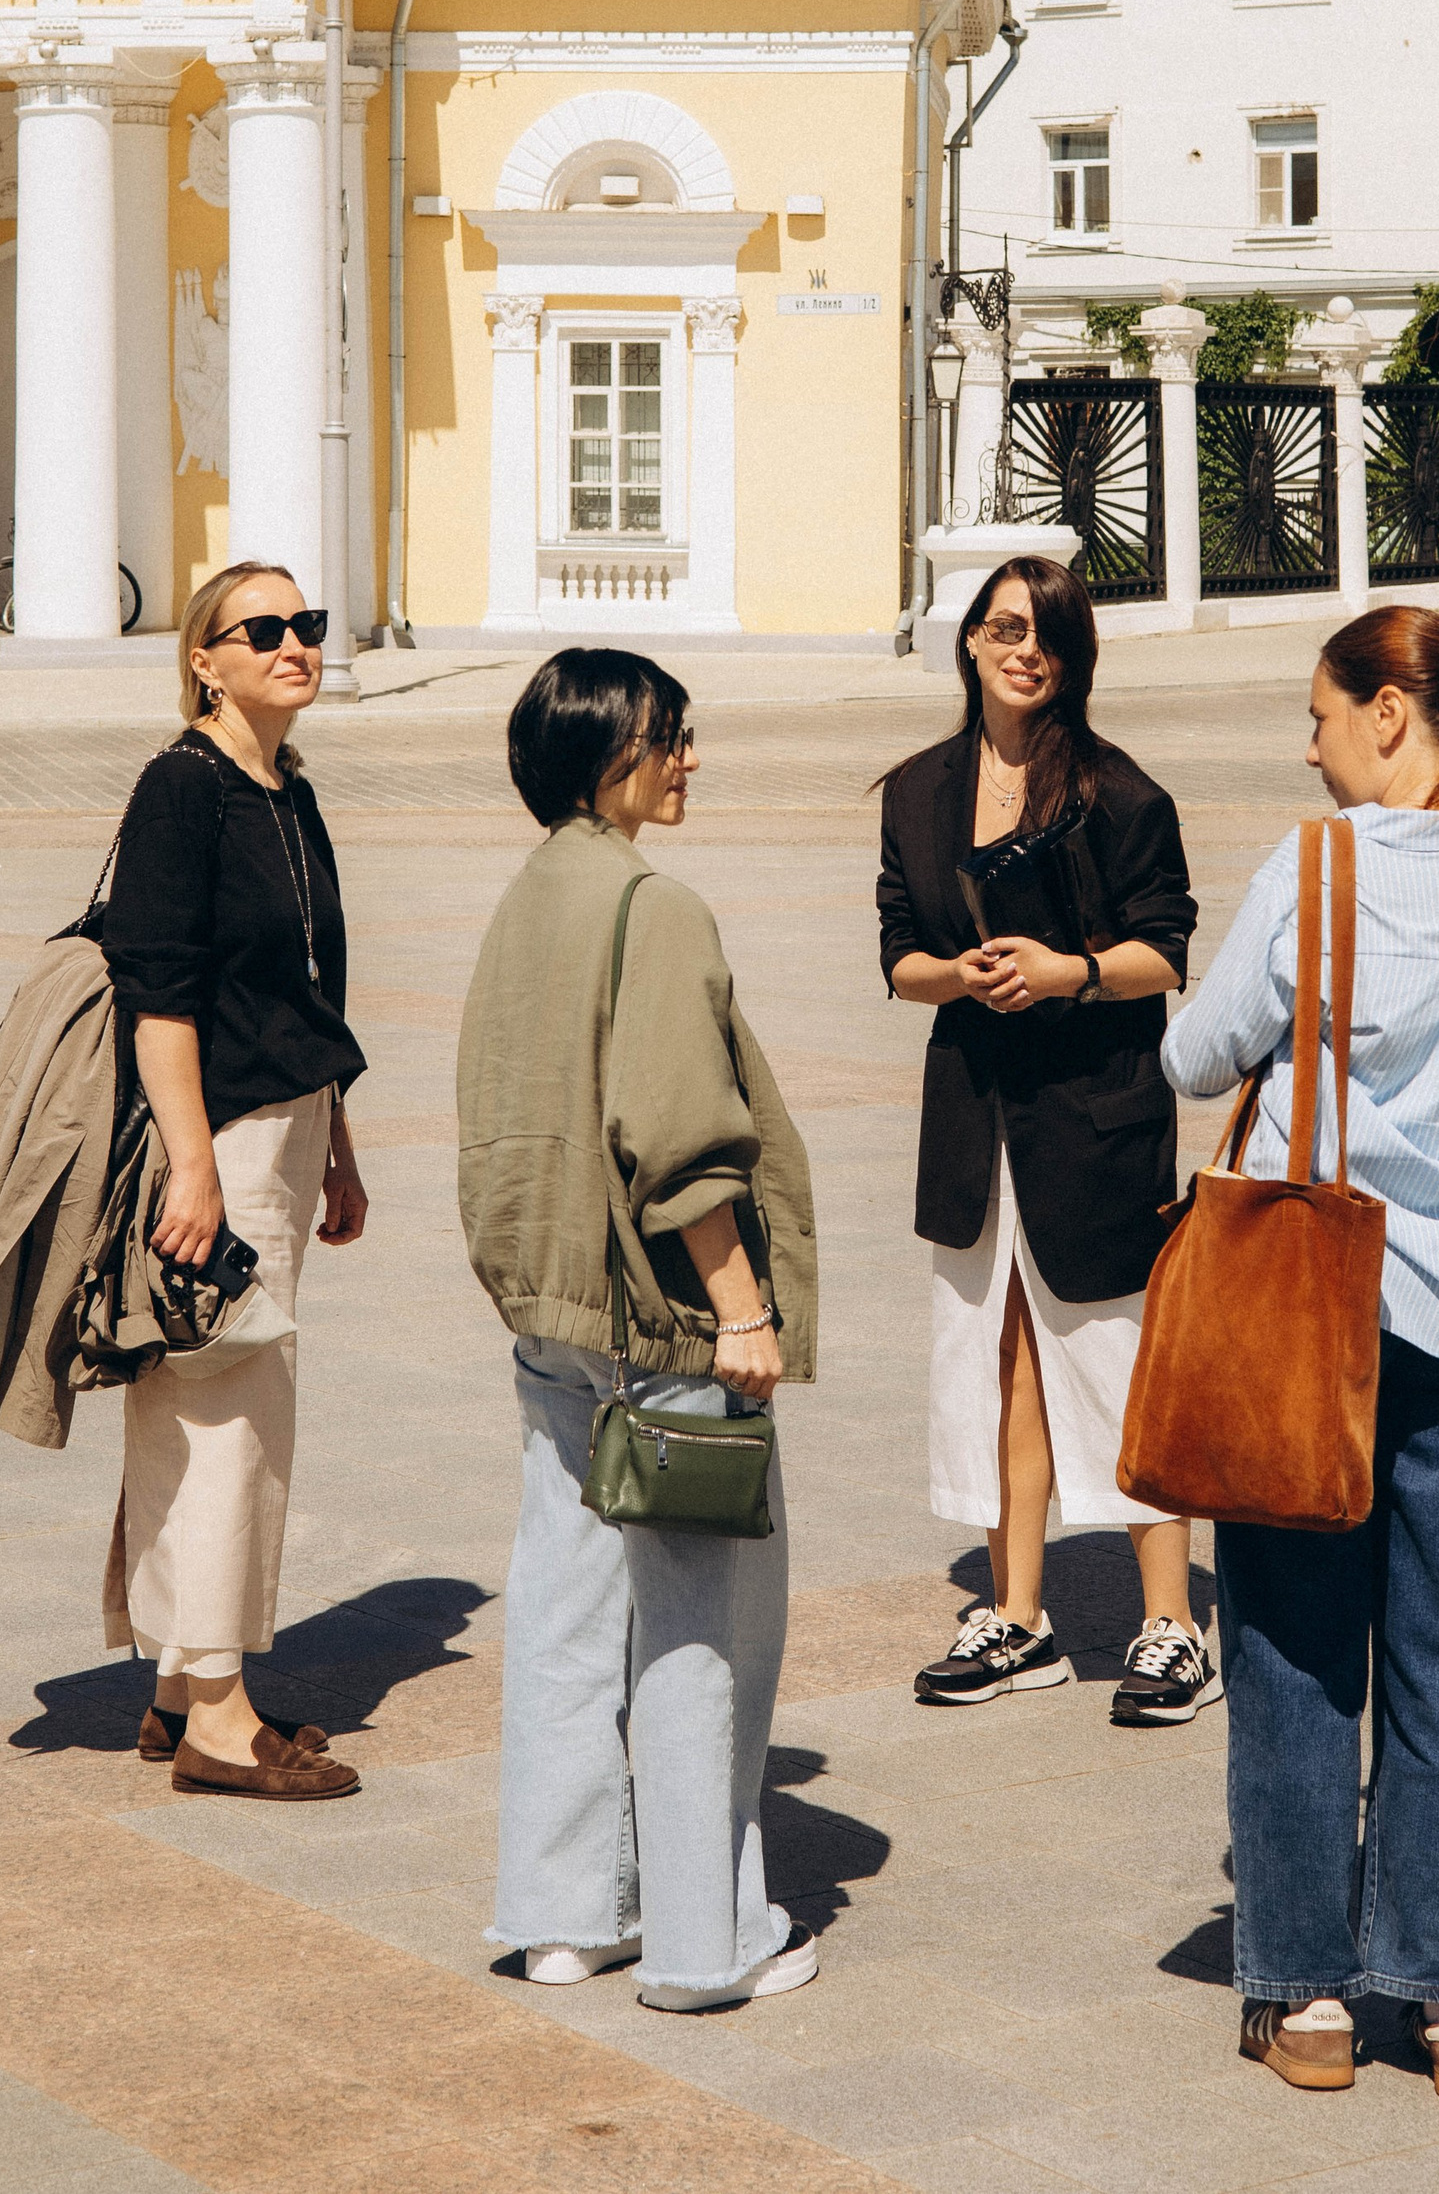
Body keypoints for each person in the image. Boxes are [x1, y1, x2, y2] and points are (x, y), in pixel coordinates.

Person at [1162, 605, 1439, 2106]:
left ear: (1390, 715)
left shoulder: (1319, 866)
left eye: (1322, 713)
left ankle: (1308, 1992)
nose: (1311, 744)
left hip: (1315, 1313)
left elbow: (1195, 1052)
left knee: (1293, 1650)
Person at [459, 649, 821, 2011]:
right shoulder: (650, 905)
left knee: (564, 1616)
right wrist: (743, 1310)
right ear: (611, 752)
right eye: (670, 737)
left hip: (552, 1312)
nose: (688, 758)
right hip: (657, 1321)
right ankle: (701, 1940)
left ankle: (563, 1918)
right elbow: (678, 1141)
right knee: (700, 1627)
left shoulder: (531, 895)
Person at [877, 554, 1208, 1724]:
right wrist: (957, 975)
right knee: (996, 1357)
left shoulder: (1120, 793)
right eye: (1007, 627)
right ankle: (1018, 1617)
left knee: (1118, 1361)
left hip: (1094, 1115)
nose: (1026, 650)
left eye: (1049, 635)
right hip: (974, 1118)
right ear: (969, 638)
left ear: (1074, 660)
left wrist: (1067, 970)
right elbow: (898, 954)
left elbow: (1166, 949)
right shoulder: (916, 789)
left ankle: (1173, 1624)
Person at [99, 561, 370, 1800]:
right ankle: (217, 1713)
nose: (292, 642)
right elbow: (157, 993)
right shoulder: (184, 787)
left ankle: (176, 1687)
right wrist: (195, 1166)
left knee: (222, 1400)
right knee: (224, 1414)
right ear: (204, 660)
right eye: (262, 628)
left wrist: (341, 1143)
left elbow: (306, 987)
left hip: (286, 1131)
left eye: (304, 623)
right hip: (220, 1140)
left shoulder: (283, 785)